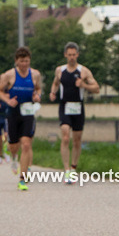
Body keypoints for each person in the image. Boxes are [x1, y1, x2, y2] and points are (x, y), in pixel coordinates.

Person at [49, 42, 100, 184]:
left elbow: (96, 88)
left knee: (77, 140)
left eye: (74, 55)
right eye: (69, 55)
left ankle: (73, 168)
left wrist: (83, 85)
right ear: (65, 55)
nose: (71, 57)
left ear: (77, 55)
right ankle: (66, 171)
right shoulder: (60, 70)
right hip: (65, 106)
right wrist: (53, 92)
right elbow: (55, 83)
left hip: (78, 107)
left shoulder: (84, 71)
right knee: (65, 136)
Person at [0, 47, 43, 191]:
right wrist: (7, 100)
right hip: (13, 113)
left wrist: (37, 96)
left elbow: (38, 88)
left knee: (27, 144)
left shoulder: (35, 74)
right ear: (16, 61)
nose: (24, 64)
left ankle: (22, 179)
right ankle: (14, 157)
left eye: (27, 61)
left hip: (28, 112)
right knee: (14, 146)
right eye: (21, 61)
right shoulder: (9, 75)